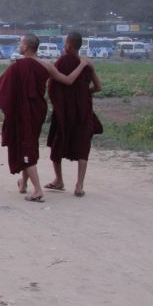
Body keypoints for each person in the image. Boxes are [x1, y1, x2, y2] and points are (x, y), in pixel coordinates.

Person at [0, 34, 91, 203]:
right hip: (38, 110)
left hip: (24, 111)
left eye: (20, 43)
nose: (19, 45)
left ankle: (38, 190)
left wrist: (7, 105)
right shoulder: (46, 66)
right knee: (29, 142)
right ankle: (23, 183)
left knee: (26, 145)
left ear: (25, 47)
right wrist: (82, 64)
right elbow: (68, 80)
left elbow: (1, 89)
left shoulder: (17, 66)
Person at [45, 32, 103, 198]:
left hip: (64, 111)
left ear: (68, 45)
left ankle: (59, 180)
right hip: (83, 111)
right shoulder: (86, 64)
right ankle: (79, 185)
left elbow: (52, 86)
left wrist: (57, 102)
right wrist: (85, 93)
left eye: (65, 43)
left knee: (57, 143)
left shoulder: (62, 61)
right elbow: (98, 87)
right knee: (83, 146)